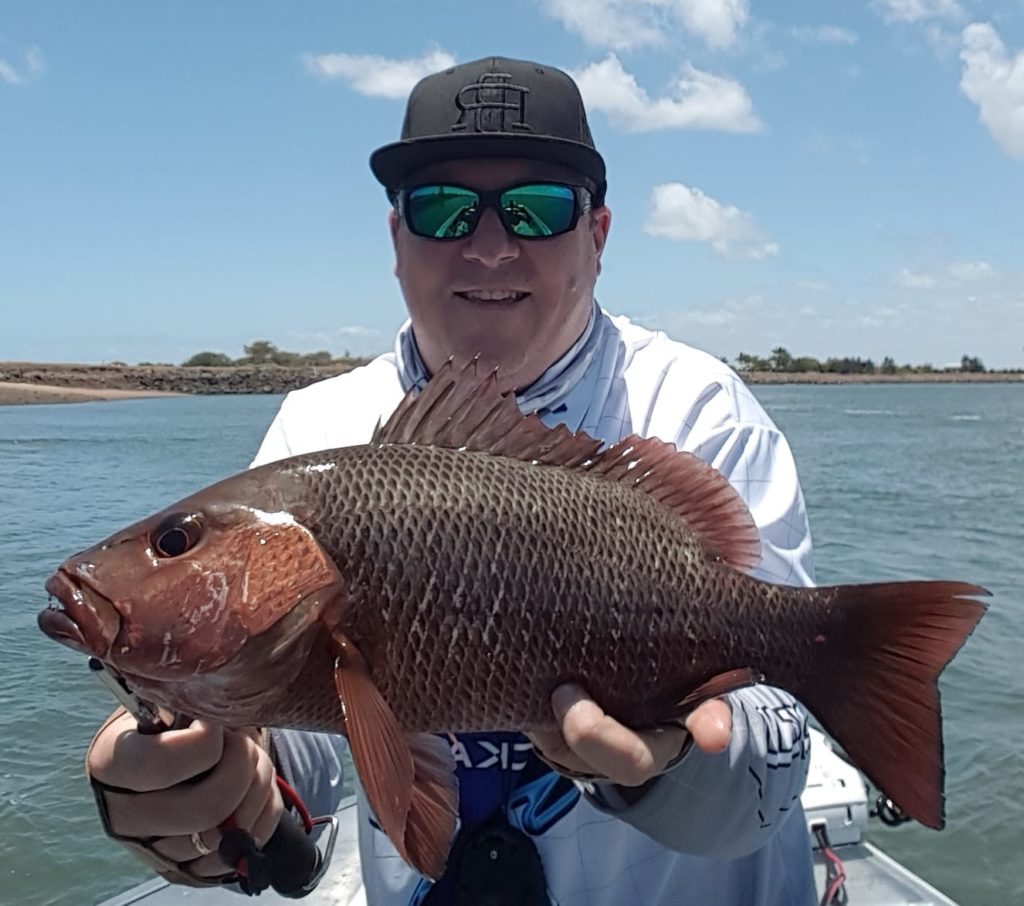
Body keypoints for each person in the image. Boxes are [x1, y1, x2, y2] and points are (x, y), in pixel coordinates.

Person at [86, 56, 818, 904]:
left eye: (539, 207)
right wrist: (218, 776)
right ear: (396, 239)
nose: (491, 245)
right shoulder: (318, 430)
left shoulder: (698, 409)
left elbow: (776, 761)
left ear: (599, 236)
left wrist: (674, 760)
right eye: (442, 208)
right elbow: (308, 736)